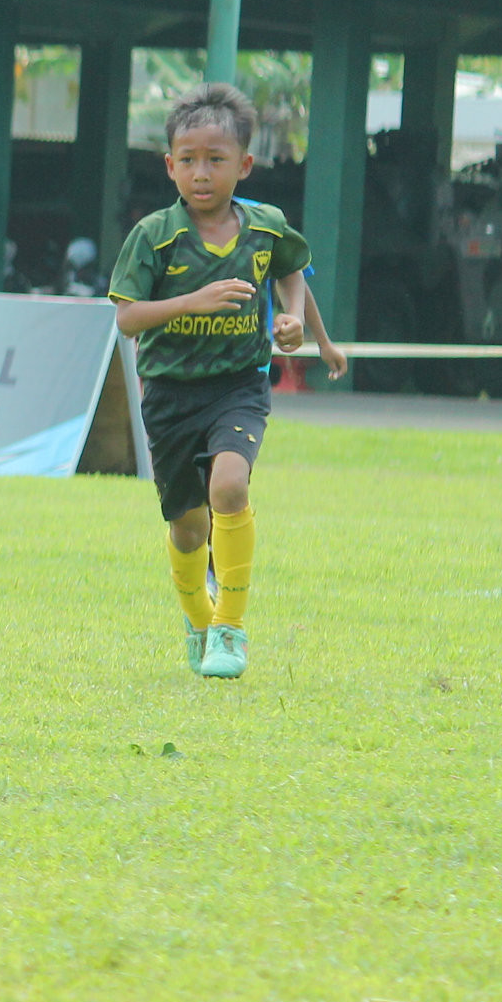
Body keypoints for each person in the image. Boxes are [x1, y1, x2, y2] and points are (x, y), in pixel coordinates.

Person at [108, 84, 314, 680]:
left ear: (244, 165)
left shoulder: (265, 228)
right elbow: (127, 319)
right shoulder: (153, 236)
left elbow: (292, 269)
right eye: (189, 160)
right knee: (189, 526)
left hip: (238, 385)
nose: (202, 173)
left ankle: (231, 628)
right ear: (170, 165)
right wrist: (193, 300)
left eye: (216, 160)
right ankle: (199, 622)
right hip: (170, 394)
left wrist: (294, 317)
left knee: (230, 487)